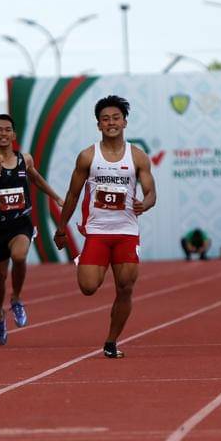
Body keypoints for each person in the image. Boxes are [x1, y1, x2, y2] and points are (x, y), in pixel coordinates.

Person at [53, 95, 157, 359]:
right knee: (88, 287)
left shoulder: (137, 156)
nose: (111, 123)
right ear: (98, 125)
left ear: (125, 122)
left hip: (126, 231)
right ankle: (85, 259)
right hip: (98, 231)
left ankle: (111, 341)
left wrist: (144, 204)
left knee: (125, 286)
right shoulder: (89, 156)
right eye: (105, 119)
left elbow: (151, 192)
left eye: (116, 118)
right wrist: (61, 227)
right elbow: (73, 194)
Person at [0, 113, 64, 345]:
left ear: (14, 135)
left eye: (7, 130)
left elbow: (36, 179)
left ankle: (16, 298)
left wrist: (55, 197)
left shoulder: (25, 159)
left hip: (21, 222)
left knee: (20, 255)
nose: (3, 134)